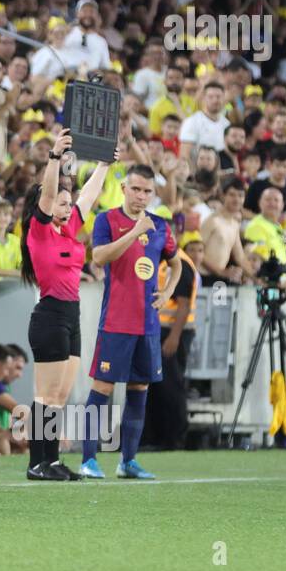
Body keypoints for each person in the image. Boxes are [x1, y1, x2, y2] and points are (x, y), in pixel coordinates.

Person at [80, 164, 185, 480]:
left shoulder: (161, 227)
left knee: (139, 388)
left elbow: (177, 265)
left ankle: (128, 461)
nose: (141, 196)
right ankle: (88, 460)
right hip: (115, 321)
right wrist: (134, 232)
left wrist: (167, 292)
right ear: (124, 188)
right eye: (136, 189)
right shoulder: (107, 220)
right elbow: (99, 258)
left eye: (147, 191)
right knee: (102, 387)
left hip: (148, 324)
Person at [19, 128, 111, 480]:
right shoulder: (38, 230)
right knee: (45, 393)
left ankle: (53, 460)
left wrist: (103, 166)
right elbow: (47, 195)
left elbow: (87, 196)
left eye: (68, 202)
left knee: (61, 393)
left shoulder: (70, 228)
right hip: (50, 315)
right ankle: (36, 464)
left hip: (71, 314)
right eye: (61, 201)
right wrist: (55, 157)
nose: (68, 205)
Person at [145, 231, 201, 451]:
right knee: (156, 386)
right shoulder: (163, 260)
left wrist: (174, 338)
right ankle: (157, 437)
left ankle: (174, 437)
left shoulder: (180, 264)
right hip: (160, 330)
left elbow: (184, 304)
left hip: (173, 332)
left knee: (171, 386)